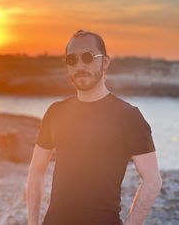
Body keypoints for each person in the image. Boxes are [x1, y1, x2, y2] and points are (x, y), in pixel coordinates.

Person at [26, 30, 162, 225]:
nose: (80, 66)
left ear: (105, 62)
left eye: (88, 57)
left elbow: (152, 180)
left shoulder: (129, 116)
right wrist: (33, 222)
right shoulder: (55, 112)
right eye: (72, 59)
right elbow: (36, 170)